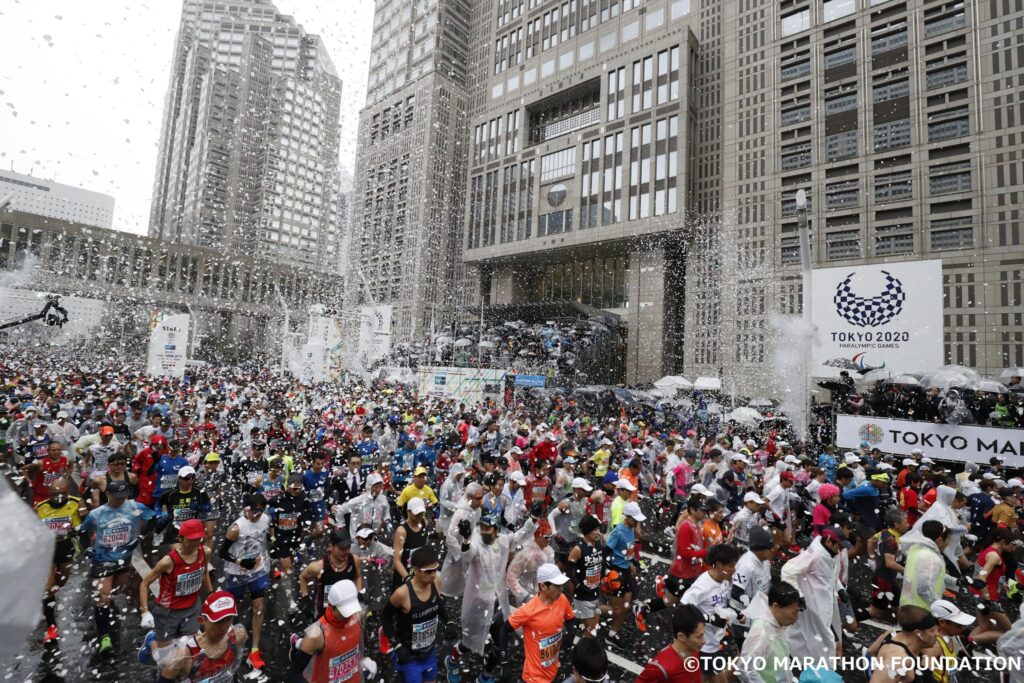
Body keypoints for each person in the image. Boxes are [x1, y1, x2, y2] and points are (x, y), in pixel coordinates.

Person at [79, 478, 158, 654]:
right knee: (103, 598)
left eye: (123, 496)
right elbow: (83, 532)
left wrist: (140, 537)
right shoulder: (97, 514)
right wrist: (87, 549)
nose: (120, 499)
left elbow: (152, 518)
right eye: (116, 496)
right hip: (102, 559)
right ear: (107, 494)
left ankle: (105, 611)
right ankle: (104, 636)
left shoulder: (133, 507)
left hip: (123, 559)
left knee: (115, 592)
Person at [138, 518, 213, 666]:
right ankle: (152, 641)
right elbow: (145, 583)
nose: (194, 543)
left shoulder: (205, 552)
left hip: (192, 608)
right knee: (165, 663)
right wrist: (145, 611)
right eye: (190, 540)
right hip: (168, 612)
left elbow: (204, 573)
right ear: (180, 538)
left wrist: (211, 593)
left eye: (198, 539)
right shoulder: (168, 561)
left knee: (188, 656)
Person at [381, 546, 454, 683]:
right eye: (428, 571)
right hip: (409, 657)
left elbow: (438, 603)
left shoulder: (436, 582)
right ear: (415, 569)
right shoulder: (402, 594)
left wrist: (449, 621)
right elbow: (385, 619)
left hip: (429, 652)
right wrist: (397, 646)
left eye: (435, 569)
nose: (433, 574)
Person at [219, 492, 272, 669]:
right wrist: (241, 561)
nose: (258, 515)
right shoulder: (236, 528)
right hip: (237, 573)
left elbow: (264, 540)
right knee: (234, 609)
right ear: (246, 509)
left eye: (261, 511)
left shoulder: (265, 519)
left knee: (259, 608)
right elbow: (222, 552)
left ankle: (254, 651)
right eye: (255, 511)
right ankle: (226, 644)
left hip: (257, 570)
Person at [287, 579, 377, 683]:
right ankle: (298, 643)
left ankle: (298, 642)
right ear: (332, 606)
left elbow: (355, 648)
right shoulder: (315, 633)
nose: (347, 616)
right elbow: (293, 674)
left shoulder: (358, 617)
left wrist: (364, 660)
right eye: (344, 611)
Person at [780, 527, 848, 661]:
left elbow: (831, 576)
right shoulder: (815, 554)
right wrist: (799, 595)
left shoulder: (831, 554)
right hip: (812, 607)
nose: (841, 550)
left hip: (824, 607)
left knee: (815, 642)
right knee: (817, 642)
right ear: (829, 542)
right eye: (839, 546)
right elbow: (787, 571)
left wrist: (839, 589)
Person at [680, 543, 743, 683]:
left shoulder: (724, 580)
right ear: (719, 565)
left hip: (715, 641)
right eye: (731, 566)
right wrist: (710, 619)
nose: (734, 570)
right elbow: (684, 610)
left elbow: (721, 604)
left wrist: (736, 613)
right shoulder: (703, 586)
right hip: (704, 646)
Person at [34, 477, 87, 643]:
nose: (57, 497)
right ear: (49, 493)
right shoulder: (40, 507)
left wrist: (76, 531)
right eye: (53, 494)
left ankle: (50, 594)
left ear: (67, 492)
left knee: (61, 582)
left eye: (61, 494)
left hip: (66, 548)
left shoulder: (77, 502)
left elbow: (85, 525)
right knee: (47, 589)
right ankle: (51, 627)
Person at [156, 590, 249, 683]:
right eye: (218, 622)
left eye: (228, 619)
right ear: (201, 620)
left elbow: (231, 669)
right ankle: (152, 642)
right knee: (160, 656)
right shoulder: (185, 656)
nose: (224, 628)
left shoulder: (238, 636)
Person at [507, 563, 576, 683]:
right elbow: (503, 629)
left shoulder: (562, 599)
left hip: (553, 670)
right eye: (557, 586)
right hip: (533, 677)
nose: (561, 589)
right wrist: (504, 660)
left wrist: (571, 633)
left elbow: (570, 618)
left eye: (561, 585)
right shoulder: (528, 610)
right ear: (543, 586)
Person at [736, 582, 803, 683]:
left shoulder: (777, 625)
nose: (796, 618)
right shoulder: (762, 632)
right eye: (794, 612)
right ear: (776, 607)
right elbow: (745, 669)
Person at [604, 501, 646, 648]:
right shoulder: (618, 532)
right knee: (617, 610)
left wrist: (633, 562)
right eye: (635, 519)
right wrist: (609, 573)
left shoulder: (631, 530)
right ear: (627, 517)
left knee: (626, 607)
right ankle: (591, 612)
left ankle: (611, 634)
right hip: (617, 572)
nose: (637, 522)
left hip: (626, 572)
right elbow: (606, 554)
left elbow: (628, 551)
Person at [299, 529, 362, 618]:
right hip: (324, 610)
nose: (347, 551)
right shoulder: (318, 567)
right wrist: (305, 599)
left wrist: (358, 593)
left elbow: (358, 577)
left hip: (347, 607)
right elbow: (303, 577)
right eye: (342, 548)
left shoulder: (355, 560)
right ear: (331, 547)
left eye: (348, 547)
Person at [868, 606, 939, 683]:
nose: (937, 634)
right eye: (932, 631)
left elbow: (871, 651)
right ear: (917, 633)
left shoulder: (892, 634)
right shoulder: (899, 660)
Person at [636, 604, 704, 683]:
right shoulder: (661, 668)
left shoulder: (695, 650)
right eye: (699, 637)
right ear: (681, 636)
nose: (704, 641)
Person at [899, 520, 952, 611]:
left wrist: (955, 581)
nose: (948, 543)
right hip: (921, 610)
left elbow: (930, 575)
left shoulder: (916, 547)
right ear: (939, 540)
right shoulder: (930, 557)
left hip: (907, 604)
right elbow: (923, 590)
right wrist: (941, 607)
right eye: (947, 540)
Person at [920, 599, 975, 683]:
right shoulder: (934, 645)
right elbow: (923, 674)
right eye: (959, 625)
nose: (963, 629)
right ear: (942, 622)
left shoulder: (951, 637)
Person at [868, 509, 909, 620]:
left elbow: (871, 541)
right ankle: (854, 622)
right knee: (875, 611)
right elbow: (890, 563)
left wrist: (872, 558)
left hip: (886, 578)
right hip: (883, 581)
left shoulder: (885, 532)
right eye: (905, 522)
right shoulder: (892, 541)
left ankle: (902, 626)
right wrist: (907, 571)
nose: (908, 524)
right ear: (896, 524)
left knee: (898, 603)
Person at [393, 496, 432, 590]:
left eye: (421, 513)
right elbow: (396, 560)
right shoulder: (402, 531)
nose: (419, 516)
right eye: (416, 513)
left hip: (419, 569)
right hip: (405, 570)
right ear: (408, 511)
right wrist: (407, 577)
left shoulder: (424, 523)